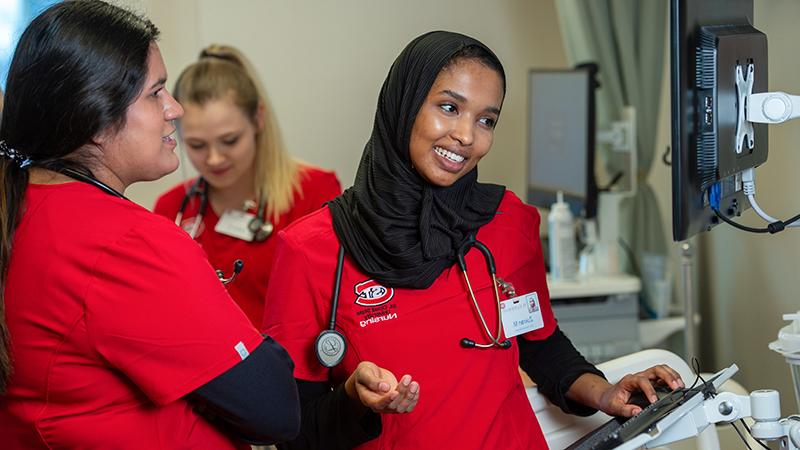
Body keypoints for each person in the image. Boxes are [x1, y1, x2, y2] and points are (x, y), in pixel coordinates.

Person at [261, 31, 684, 449]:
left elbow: (540, 345)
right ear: (403, 105)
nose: (467, 135)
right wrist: (354, 397)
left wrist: (604, 392)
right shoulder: (310, 251)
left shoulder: (507, 221)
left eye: (486, 120)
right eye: (449, 107)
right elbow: (295, 434)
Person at [0, 2, 299, 448]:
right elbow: (275, 409)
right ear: (95, 118)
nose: (174, 109)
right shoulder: (126, 242)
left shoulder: (25, 207)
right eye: (156, 92)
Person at [154, 45, 341, 325]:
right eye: (196, 145)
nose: (214, 159)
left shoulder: (313, 192)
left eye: (229, 140)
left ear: (258, 119)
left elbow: (332, 304)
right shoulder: (172, 208)